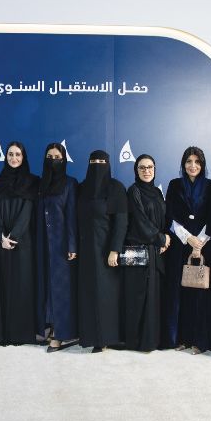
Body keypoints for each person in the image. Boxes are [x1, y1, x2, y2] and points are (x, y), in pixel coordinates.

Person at [163, 146, 211, 354]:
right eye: (189, 161)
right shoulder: (174, 185)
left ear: (202, 165)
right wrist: (188, 238)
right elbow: (170, 215)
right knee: (181, 292)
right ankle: (182, 338)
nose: (193, 165)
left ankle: (201, 340)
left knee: (202, 294)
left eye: (197, 162)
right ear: (183, 164)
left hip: (206, 247)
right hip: (180, 247)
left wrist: (200, 242)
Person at [77, 150, 128, 352]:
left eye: (102, 161)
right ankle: (90, 336)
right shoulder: (82, 188)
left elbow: (121, 222)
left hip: (107, 252)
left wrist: (115, 249)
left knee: (107, 295)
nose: (98, 165)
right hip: (85, 251)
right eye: (94, 161)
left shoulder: (116, 188)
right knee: (88, 294)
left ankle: (106, 337)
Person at [0, 141, 40, 345]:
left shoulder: (32, 181)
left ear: (23, 157)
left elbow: (28, 211)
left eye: (17, 154)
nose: (14, 158)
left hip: (23, 242)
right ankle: (5, 333)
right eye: (10, 154)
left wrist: (14, 236)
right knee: (4, 286)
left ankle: (22, 333)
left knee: (23, 285)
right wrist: (0, 236)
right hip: (3, 242)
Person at [122, 154, 169, 352]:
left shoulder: (157, 192)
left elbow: (162, 218)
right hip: (139, 251)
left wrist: (163, 239)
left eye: (150, 167)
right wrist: (161, 238)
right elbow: (140, 221)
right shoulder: (133, 191)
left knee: (153, 297)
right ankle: (138, 341)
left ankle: (152, 339)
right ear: (136, 170)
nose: (146, 171)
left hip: (156, 251)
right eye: (142, 167)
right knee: (139, 297)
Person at [36, 143, 79, 353]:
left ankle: (60, 334)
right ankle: (48, 326)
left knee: (61, 289)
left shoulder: (70, 183)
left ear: (63, 160)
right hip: (42, 243)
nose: (53, 161)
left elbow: (72, 215)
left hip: (61, 245)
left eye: (57, 157)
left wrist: (72, 245)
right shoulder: (40, 184)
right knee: (46, 286)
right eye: (49, 157)